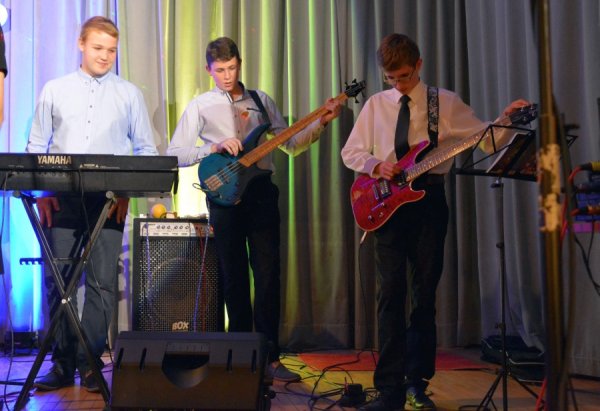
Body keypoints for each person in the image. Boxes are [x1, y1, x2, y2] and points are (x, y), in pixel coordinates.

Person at [341, 33, 529, 411]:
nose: (399, 84)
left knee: (423, 296)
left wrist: (505, 121)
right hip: (387, 205)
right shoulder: (376, 105)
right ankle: (389, 389)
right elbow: (351, 152)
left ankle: (417, 382)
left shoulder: (444, 102)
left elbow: (486, 140)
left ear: (419, 65)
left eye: (405, 76)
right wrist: (377, 165)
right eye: (392, 78)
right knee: (389, 295)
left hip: (428, 202)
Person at [167, 37, 341, 382]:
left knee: (268, 274)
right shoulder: (201, 105)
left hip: (261, 193)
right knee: (232, 276)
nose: (227, 76)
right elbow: (176, 153)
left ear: (240, 64)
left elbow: (291, 144)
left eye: (232, 68)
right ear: (208, 70)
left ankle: (269, 357)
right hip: (224, 195)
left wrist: (321, 122)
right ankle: (238, 356)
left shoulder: (261, 100)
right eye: (220, 70)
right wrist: (213, 147)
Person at [26, 16, 158, 393]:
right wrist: (42, 193)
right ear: (81, 44)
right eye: (98, 48)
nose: (105, 56)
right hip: (61, 198)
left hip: (109, 200)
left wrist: (127, 193)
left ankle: (89, 363)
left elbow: (145, 151)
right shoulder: (55, 89)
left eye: (112, 50)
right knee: (59, 280)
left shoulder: (128, 94)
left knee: (102, 283)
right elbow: (36, 146)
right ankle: (62, 363)